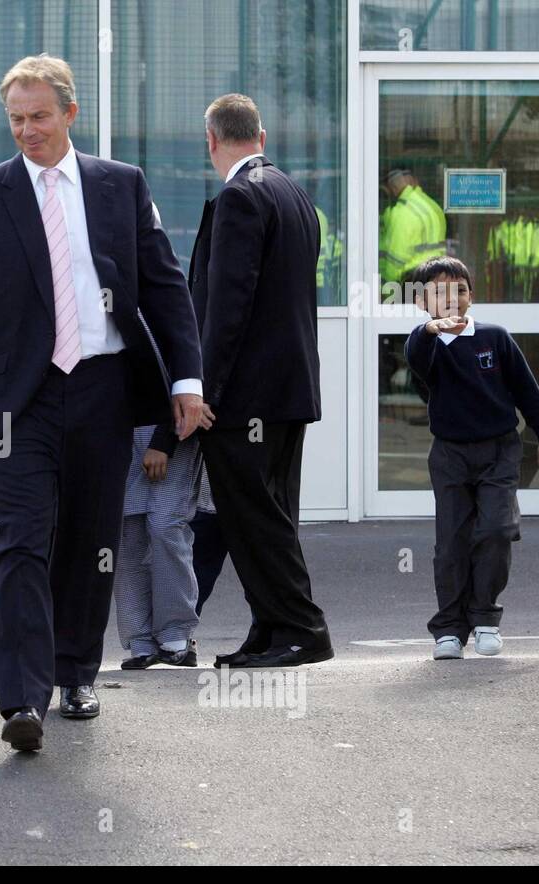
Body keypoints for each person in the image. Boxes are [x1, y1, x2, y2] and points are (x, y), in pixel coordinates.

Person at [0, 55, 203, 752]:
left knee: (89, 542)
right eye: (16, 119)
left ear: (70, 113)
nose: (27, 130)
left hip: (103, 390)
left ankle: (75, 671)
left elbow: (165, 286)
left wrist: (186, 380)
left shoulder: (120, 186)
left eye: (39, 116)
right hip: (13, 402)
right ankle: (21, 698)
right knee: (20, 540)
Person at [193, 93, 332, 669]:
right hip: (286, 392)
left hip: (246, 395)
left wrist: (204, 392)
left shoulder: (241, 197)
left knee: (254, 519)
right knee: (270, 513)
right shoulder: (292, 192)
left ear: (212, 141)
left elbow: (227, 309)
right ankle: (273, 630)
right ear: (262, 136)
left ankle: (301, 630)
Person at [405, 256, 539, 659]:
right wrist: (429, 331)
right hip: (450, 455)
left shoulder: (495, 337)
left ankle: (486, 618)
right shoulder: (428, 345)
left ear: (471, 295)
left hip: (500, 450)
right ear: (423, 302)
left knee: (495, 530)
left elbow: (527, 390)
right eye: (439, 292)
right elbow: (414, 358)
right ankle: (449, 629)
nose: (452, 298)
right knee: (451, 542)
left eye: (459, 289)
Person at [115, 421, 204, 669]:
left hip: (169, 426)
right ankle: (140, 641)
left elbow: (184, 384)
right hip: (119, 427)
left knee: (166, 528)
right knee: (127, 538)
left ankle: (176, 636)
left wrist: (163, 441)